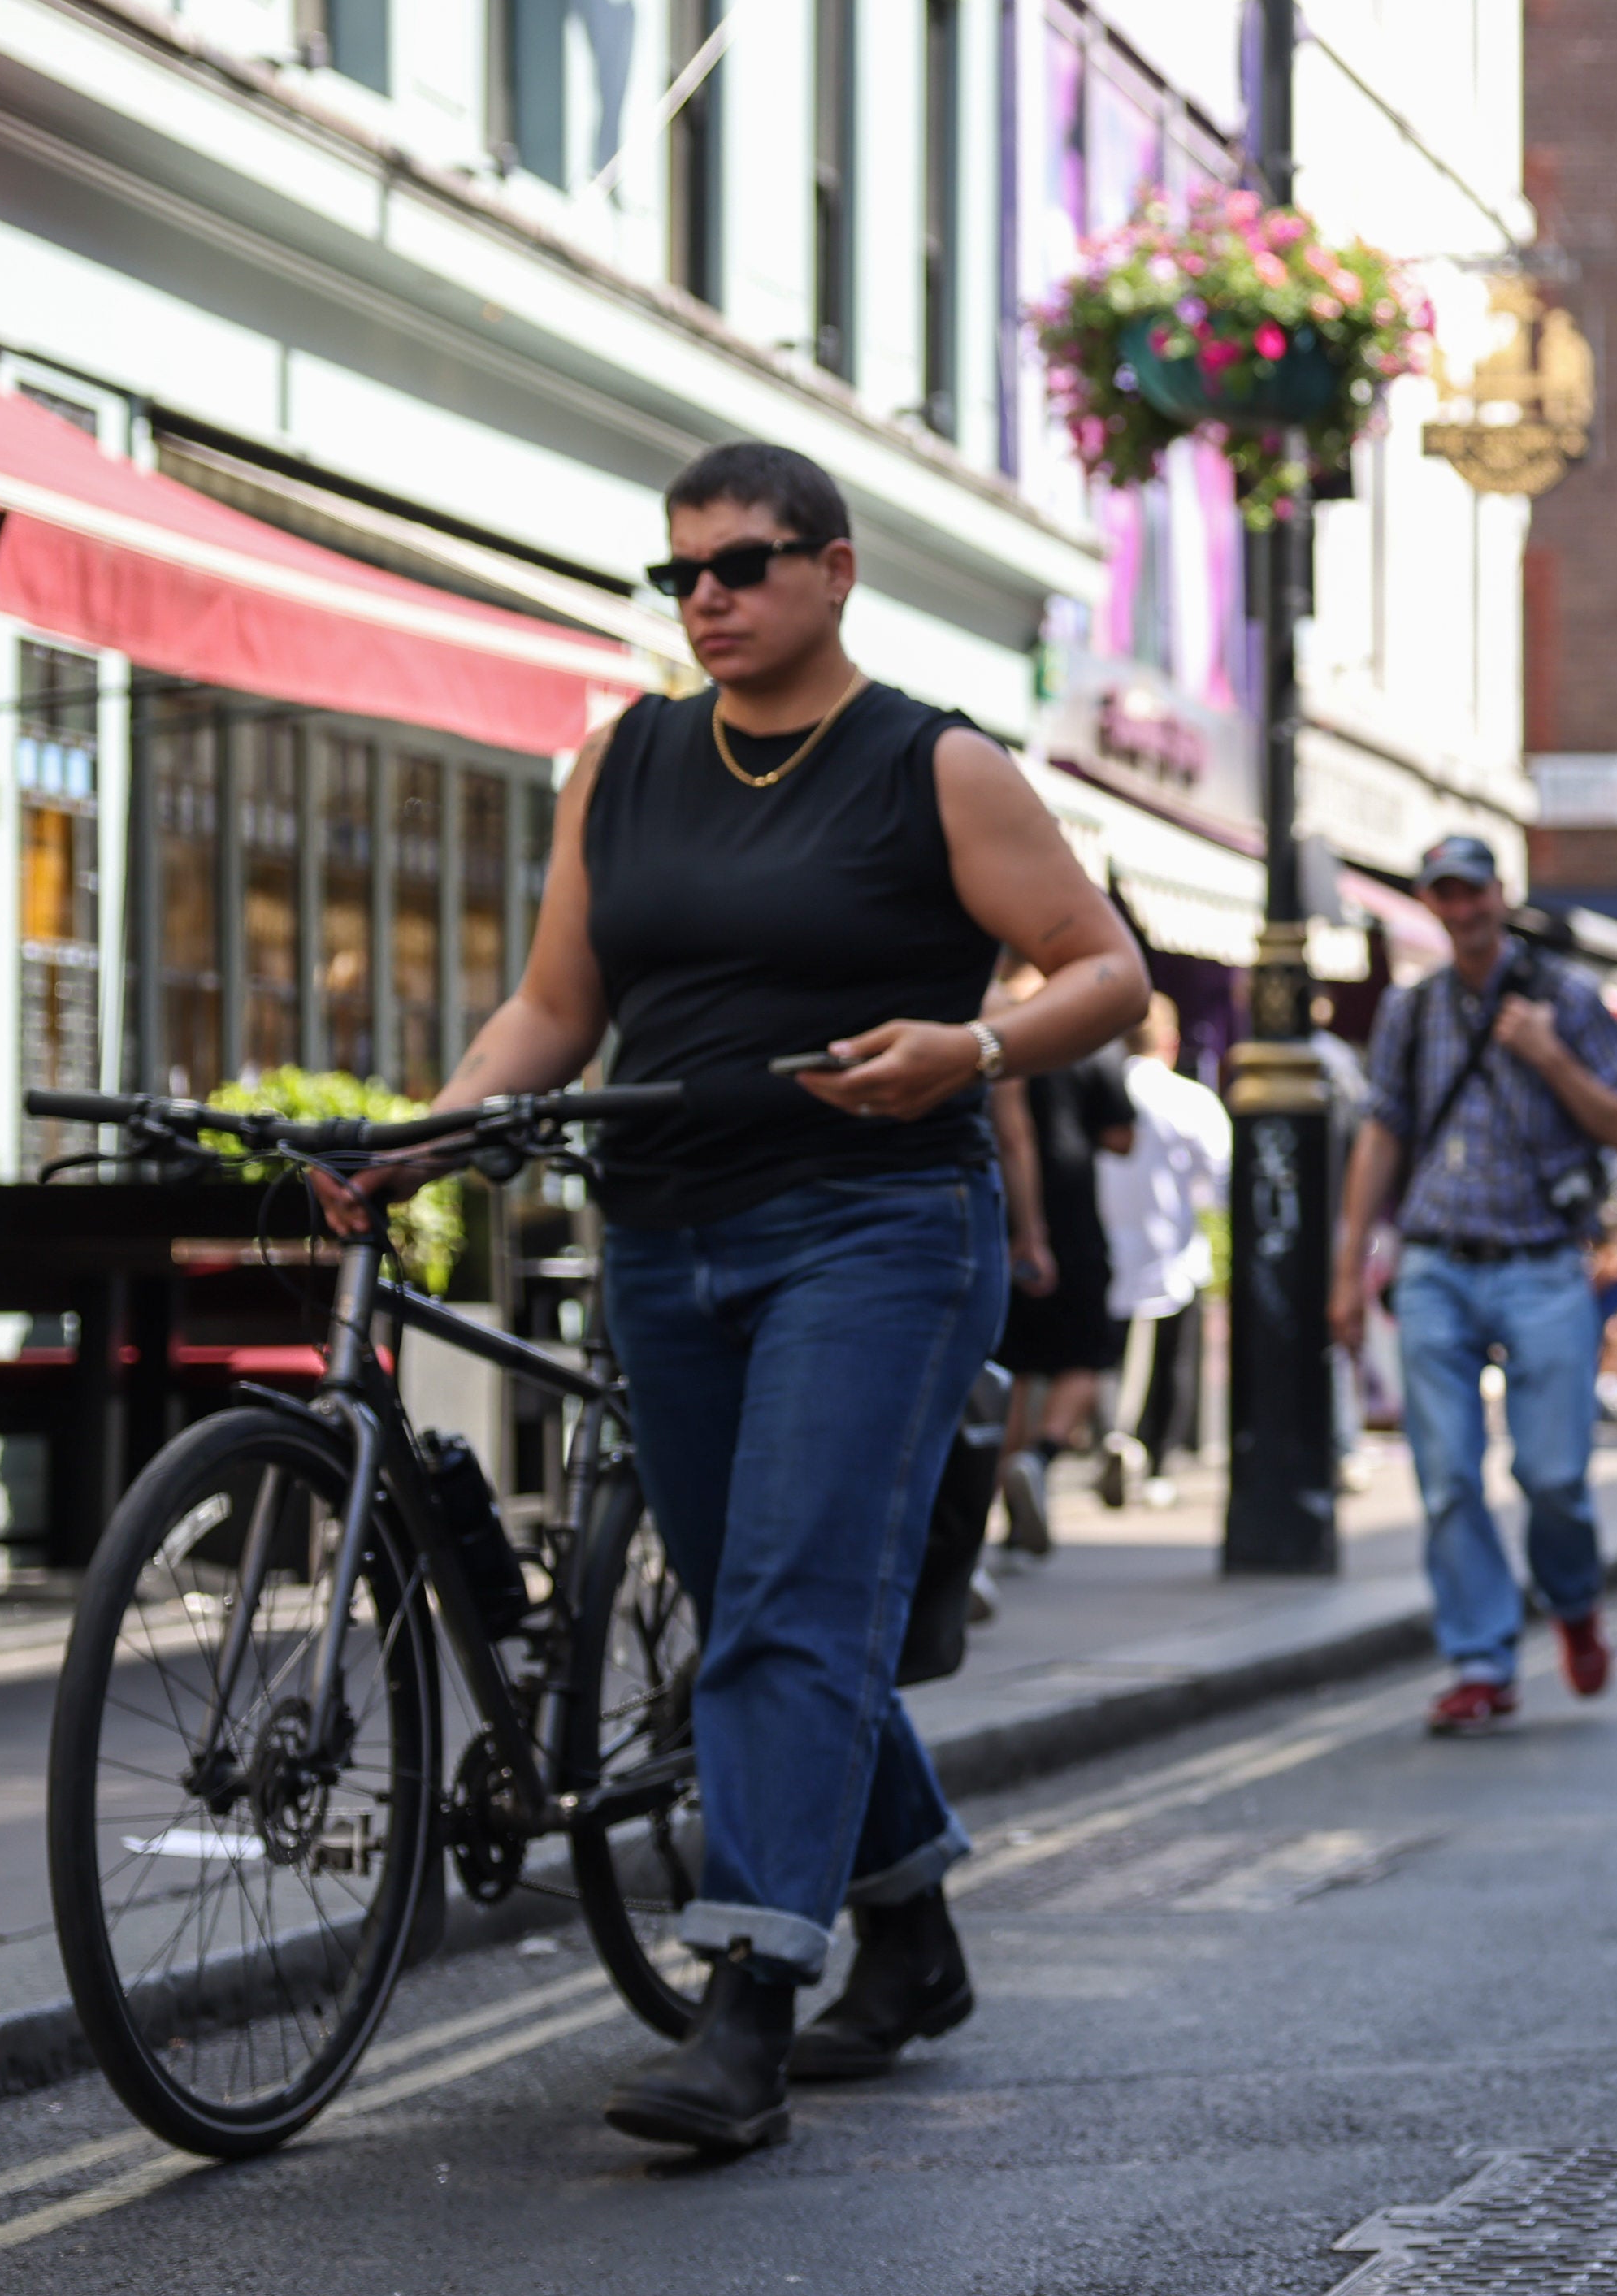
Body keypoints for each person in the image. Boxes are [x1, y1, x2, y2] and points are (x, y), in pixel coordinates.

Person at [421, 440, 1147, 2151]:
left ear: (834, 570)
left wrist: (967, 1047)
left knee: (787, 1606)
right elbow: (553, 1005)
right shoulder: (623, 762)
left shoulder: (935, 766)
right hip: (664, 1232)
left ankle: (745, 2004)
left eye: (742, 566)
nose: (709, 602)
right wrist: (426, 1140)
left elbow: (1104, 971)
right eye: (682, 575)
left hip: (880, 1226)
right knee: (770, 1600)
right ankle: (911, 1934)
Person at [1330, 833, 1617, 1734]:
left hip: (1544, 1262)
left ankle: (1574, 1601)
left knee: (1552, 1476)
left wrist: (1551, 1054)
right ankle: (1480, 1660)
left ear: (1500, 894)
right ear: (1431, 904)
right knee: (1446, 1479)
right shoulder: (1411, 1009)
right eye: (1445, 894)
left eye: (1474, 892)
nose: (1463, 909)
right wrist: (1352, 1267)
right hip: (1435, 1262)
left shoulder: (1567, 997)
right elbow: (1383, 1134)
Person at [991, 986, 1134, 1556]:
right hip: (1063, 1219)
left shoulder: (1000, 1025)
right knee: (1085, 1358)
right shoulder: (1089, 1042)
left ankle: (1003, 1508)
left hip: (1006, 1217)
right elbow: (1118, 1136)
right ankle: (1041, 1457)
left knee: (1013, 1371)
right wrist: (1035, 1230)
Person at [1097, 998, 1231, 1506]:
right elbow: (1221, 1181)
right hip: (1172, 1251)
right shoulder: (1190, 1100)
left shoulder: (1103, 1087)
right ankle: (1152, 1461)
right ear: (1170, 1041)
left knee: (1109, 1356)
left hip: (1109, 1248)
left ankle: (1116, 1438)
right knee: (1170, 1361)